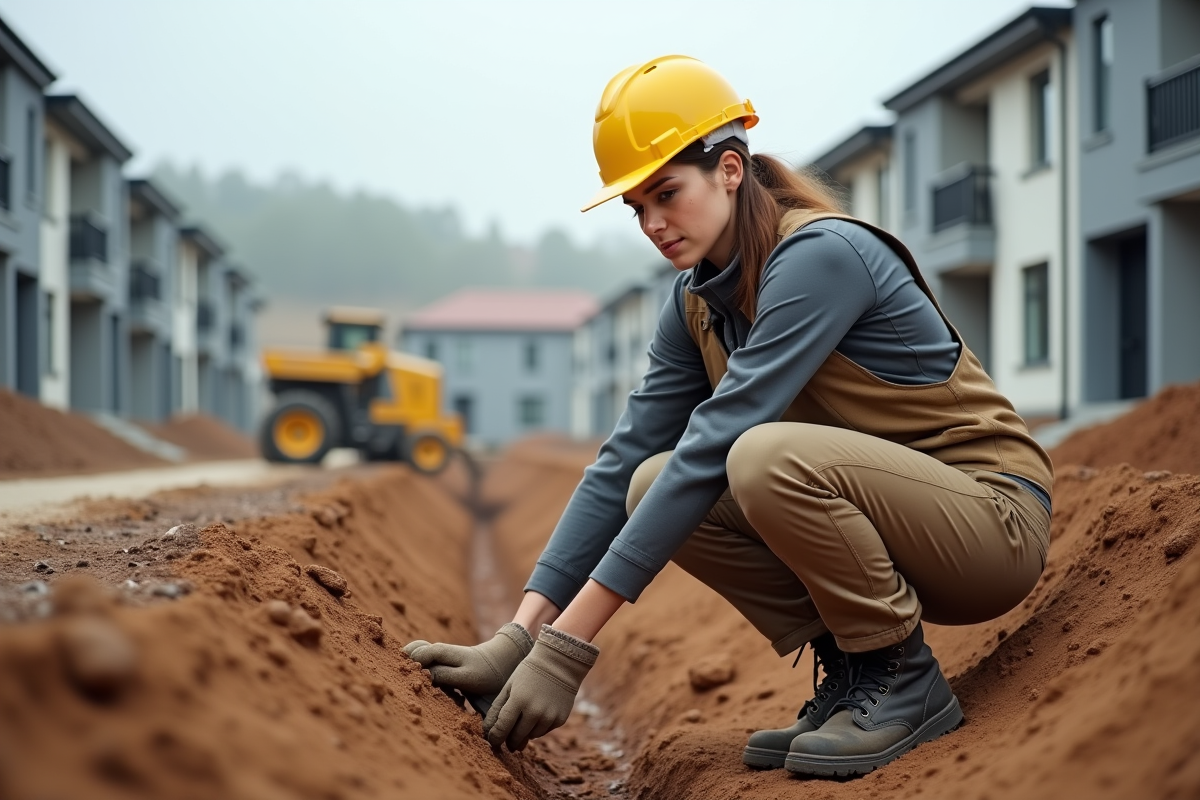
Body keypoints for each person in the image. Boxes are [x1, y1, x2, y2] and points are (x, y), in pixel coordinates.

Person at [404, 55, 1053, 777]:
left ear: (731, 169)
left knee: (754, 456)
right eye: (636, 207)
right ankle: (854, 674)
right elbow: (622, 457)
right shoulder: (696, 303)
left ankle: (902, 677)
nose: (652, 223)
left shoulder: (820, 256)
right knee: (649, 480)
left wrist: (569, 648)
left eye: (667, 193)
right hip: (896, 521)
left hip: (989, 525)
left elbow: (717, 441)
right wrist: (521, 635)